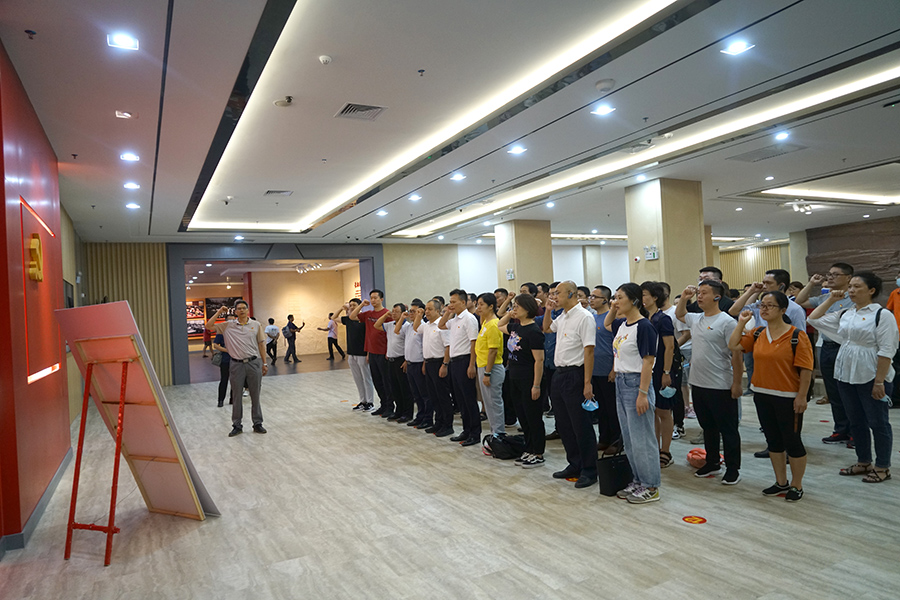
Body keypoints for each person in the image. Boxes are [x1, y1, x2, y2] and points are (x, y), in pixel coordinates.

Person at [808, 272, 899, 483]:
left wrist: (879, 381)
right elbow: (813, 319)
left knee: (878, 422)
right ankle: (863, 461)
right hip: (846, 373)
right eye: (850, 287)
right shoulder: (846, 313)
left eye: (857, 287)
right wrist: (830, 299)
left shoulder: (882, 315)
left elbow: (887, 350)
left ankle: (883, 466)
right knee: (855, 421)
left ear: (871, 290)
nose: (851, 290)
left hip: (871, 374)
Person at [729, 291, 813, 501]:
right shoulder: (758, 333)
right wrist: (741, 322)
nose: (764, 309)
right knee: (773, 440)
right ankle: (780, 481)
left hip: (788, 396)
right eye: (762, 305)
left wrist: (802, 396)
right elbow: (733, 345)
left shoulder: (797, 336)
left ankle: (796, 485)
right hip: (762, 394)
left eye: (770, 305)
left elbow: (806, 369)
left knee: (792, 441)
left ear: (783, 310)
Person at [676, 280, 743, 484]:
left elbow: (736, 354)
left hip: (720, 384)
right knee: (708, 427)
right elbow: (680, 314)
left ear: (717, 297)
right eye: (699, 293)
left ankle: (733, 468)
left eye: (704, 293)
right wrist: (684, 297)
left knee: (728, 429)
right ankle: (712, 461)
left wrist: (737, 383)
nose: (700, 296)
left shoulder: (727, 321)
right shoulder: (696, 318)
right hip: (698, 383)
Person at [605, 283, 660, 504]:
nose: (615, 301)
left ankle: (651, 485)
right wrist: (613, 307)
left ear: (634, 301)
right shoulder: (622, 325)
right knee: (629, 439)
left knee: (642, 439)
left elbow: (648, 362)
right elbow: (607, 323)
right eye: (614, 297)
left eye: (620, 298)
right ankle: (638, 480)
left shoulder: (644, 326)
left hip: (637, 383)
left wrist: (643, 394)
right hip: (621, 382)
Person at [543, 281, 598, 489]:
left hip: (576, 374)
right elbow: (547, 328)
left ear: (571, 294)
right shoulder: (563, 316)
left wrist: (587, 382)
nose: (554, 296)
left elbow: (589, 351)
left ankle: (590, 469)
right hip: (559, 374)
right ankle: (574, 463)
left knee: (580, 424)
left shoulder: (584, 317)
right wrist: (548, 310)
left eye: (558, 293)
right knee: (564, 424)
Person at [796, 263, 856, 445]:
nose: (830, 277)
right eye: (829, 274)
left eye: (835, 275)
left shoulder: (853, 298)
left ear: (848, 278)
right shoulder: (824, 297)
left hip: (845, 347)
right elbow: (799, 301)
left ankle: (855, 432)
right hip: (826, 347)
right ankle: (840, 429)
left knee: (849, 392)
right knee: (833, 392)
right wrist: (811, 283)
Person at [206, 300, 268, 437]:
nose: (241, 310)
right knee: (236, 396)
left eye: (244, 308)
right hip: (236, 364)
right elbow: (209, 326)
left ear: (247, 310)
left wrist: (264, 363)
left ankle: (257, 423)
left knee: (255, 395)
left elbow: (261, 345)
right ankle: (237, 425)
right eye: (239, 308)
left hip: (253, 363)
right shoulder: (228, 325)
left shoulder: (256, 325)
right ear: (235, 311)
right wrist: (219, 311)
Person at [498, 293, 545, 467]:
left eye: (517, 306)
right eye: (514, 306)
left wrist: (536, 385)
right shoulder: (515, 327)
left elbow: (539, 360)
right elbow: (499, 325)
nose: (514, 309)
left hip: (529, 378)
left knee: (533, 416)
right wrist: (509, 313)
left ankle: (538, 452)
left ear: (528, 309)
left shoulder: (534, 331)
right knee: (523, 416)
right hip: (514, 377)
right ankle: (529, 448)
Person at [640, 281, 677, 469]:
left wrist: (666, 372)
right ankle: (654, 447)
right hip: (647, 369)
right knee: (651, 411)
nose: (641, 298)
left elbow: (669, 347)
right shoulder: (643, 318)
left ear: (655, 297)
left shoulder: (663, 319)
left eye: (644, 295)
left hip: (661, 369)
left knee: (663, 411)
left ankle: (666, 450)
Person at [439, 289, 480, 445]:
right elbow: (441, 325)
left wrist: (471, 365)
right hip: (455, 362)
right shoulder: (455, 319)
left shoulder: (469, 319)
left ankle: (475, 433)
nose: (451, 304)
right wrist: (448, 312)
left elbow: (473, 342)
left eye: (454, 302)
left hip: (465, 360)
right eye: (450, 302)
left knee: (469, 399)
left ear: (463, 302)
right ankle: (466, 430)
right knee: (460, 399)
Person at [350, 290, 394, 418]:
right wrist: (361, 305)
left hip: (383, 352)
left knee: (386, 381)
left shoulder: (387, 314)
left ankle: (390, 406)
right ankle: (383, 405)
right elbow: (352, 316)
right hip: (372, 352)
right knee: (377, 381)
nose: (373, 300)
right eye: (371, 298)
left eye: (375, 298)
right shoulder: (368, 314)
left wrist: (389, 351)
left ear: (381, 299)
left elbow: (391, 334)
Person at [589, 285, 620, 454]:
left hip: (608, 370)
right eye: (590, 296)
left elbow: (617, 346)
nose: (591, 299)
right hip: (594, 370)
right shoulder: (591, 318)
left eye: (595, 297)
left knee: (611, 408)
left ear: (605, 300)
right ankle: (604, 438)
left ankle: (616, 440)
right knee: (600, 409)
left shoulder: (612, 318)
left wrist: (614, 368)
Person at [415, 298, 451, 434]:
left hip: (439, 362)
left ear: (438, 311)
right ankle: (438, 422)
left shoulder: (442, 326)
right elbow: (416, 328)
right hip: (429, 363)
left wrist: (445, 365)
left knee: (442, 396)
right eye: (426, 309)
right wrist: (419, 315)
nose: (427, 312)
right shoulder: (426, 325)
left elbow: (448, 347)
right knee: (433, 395)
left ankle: (447, 425)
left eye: (430, 309)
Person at [475, 293, 505, 440]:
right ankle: (494, 432)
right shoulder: (486, 323)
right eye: (477, 304)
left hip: (491, 368)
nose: (478, 307)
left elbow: (493, 351)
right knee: (488, 403)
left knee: (494, 403)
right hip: (483, 366)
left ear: (491, 306)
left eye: (481, 304)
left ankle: (499, 434)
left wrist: (487, 373)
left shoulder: (493, 324)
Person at [376, 303, 413, 423]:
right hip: (390, 360)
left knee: (404, 388)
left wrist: (406, 360)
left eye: (396, 311)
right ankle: (399, 411)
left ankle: (407, 413)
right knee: (394, 388)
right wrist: (385, 315)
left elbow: (408, 344)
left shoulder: (406, 326)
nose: (393, 313)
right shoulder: (390, 325)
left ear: (403, 313)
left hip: (401, 360)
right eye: (393, 311)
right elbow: (376, 325)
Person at [337, 299, 375, 411]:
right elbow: (333, 317)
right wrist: (341, 308)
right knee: (358, 379)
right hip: (351, 354)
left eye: (354, 305)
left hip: (362, 353)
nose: (352, 307)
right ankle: (363, 401)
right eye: (351, 305)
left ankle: (370, 402)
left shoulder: (364, 319)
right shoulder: (348, 319)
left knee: (366, 378)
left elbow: (369, 337)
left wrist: (368, 353)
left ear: (360, 306)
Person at [398, 300, 429, 427]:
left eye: (413, 311)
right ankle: (420, 416)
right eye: (409, 311)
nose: (410, 313)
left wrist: (424, 364)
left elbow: (425, 347)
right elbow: (396, 330)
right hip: (410, 363)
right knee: (416, 394)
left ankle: (427, 418)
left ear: (420, 312)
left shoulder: (423, 326)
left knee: (424, 394)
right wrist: (402, 317)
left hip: (419, 363)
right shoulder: (409, 326)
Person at [212, 314, 235, 407]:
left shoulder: (237, 332)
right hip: (225, 360)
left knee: (235, 381)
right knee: (224, 380)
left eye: (233, 320)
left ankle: (233, 399)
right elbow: (215, 345)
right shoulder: (221, 332)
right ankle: (220, 400)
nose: (231, 322)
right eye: (229, 320)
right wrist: (227, 350)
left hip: (236, 360)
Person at [885, 270, 900, 405]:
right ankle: (895, 398)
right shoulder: (895, 293)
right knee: (896, 368)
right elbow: (888, 310)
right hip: (897, 337)